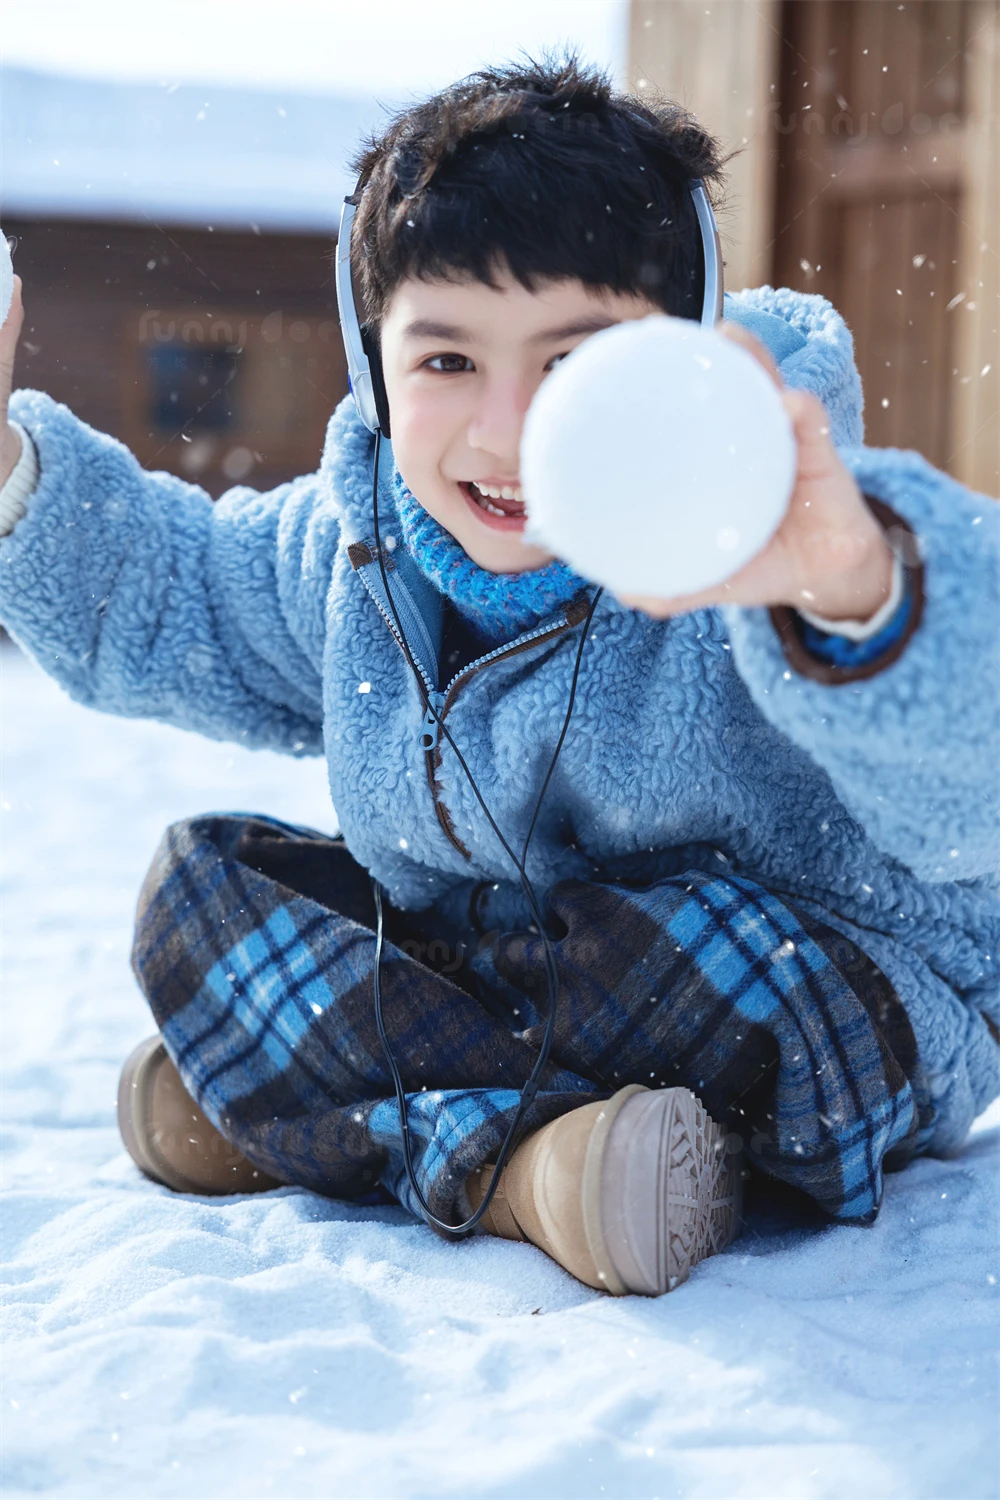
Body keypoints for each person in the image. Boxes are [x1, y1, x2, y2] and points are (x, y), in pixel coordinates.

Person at [0, 54, 996, 1298]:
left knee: (694, 951)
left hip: (814, 999)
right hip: (516, 976)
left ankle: (328, 1105)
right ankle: (541, 1164)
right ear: (373, 368)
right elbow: (170, 592)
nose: (508, 427)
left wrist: (856, 592)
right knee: (201, 893)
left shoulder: (766, 528)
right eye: (447, 363)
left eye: (575, 366)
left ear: (681, 355)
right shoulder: (356, 547)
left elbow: (974, 783)